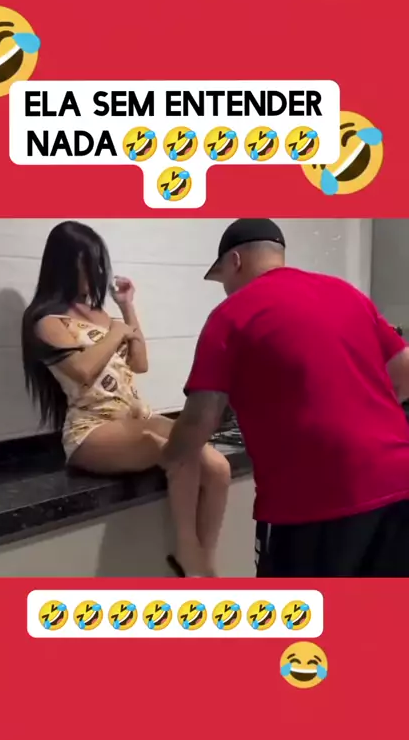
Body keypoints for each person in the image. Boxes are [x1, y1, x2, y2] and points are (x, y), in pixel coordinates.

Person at [163, 218, 409, 577]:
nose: (226, 290)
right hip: (398, 484)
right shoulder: (347, 293)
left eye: (223, 279)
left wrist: (171, 455)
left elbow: (201, 418)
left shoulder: (231, 314)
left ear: (235, 261)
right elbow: (404, 372)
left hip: (312, 502)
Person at [21, 220, 230, 577]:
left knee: (219, 468)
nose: (96, 272)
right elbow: (83, 371)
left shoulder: (104, 315)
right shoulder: (47, 321)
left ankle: (203, 561)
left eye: (98, 263)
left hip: (134, 418)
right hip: (91, 430)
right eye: (87, 264)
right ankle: (187, 551)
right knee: (168, 447)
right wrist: (116, 331)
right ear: (64, 265)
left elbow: (140, 363)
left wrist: (126, 307)